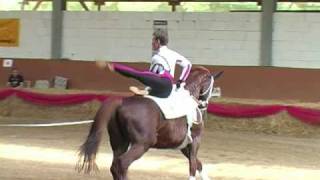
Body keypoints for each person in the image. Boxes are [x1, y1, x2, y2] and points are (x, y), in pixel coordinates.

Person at [97, 29, 192, 98]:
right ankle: (147, 92)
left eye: (153, 40)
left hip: (162, 83)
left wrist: (114, 67)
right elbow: (188, 65)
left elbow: (151, 75)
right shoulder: (173, 54)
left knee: (137, 74)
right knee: (143, 78)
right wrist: (180, 82)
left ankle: (114, 66)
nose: (151, 43)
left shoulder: (156, 57)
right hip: (167, 90)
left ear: (158, 41)